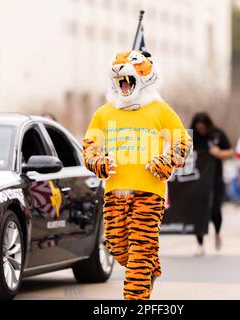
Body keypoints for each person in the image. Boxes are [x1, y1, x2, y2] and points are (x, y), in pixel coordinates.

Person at [82, 50, 192, 300]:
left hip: (149, 192)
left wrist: (167, 160)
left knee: (139, 254)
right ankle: (149, 269)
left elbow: (183, 141)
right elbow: (88, 147)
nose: (124, 81)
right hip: (115, 192)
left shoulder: (160, 110)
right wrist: (98, 161)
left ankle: (136, 297)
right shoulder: (103, 113)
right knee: (117, 247)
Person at [191, 112, 234, 256]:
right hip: (197, 181)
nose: (201, 131)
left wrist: (219, 153)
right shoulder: (191, 137)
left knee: (216, 209)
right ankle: (200, 243)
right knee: (198, 211)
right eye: (199, 128)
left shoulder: (218, 134)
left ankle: (217, 232)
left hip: (216, 178)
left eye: (203, 128)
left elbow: (231, 152)